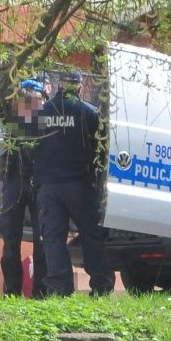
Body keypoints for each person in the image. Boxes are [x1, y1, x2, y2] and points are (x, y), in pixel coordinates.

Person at [33, 69, 114, 297]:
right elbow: (103, 149)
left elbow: (26, 143)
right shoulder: (88, 113)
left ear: (59, 85)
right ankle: (101, 285)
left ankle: (59, 287)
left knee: (53, 239)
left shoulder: (41, 112)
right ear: (79, 86)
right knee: (91, 235)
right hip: (78, 185)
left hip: (49, 187)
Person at [0, 78, 49, 297]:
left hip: (36, 182)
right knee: (11, 237)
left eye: (34, 100)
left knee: (41, 239)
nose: (30, 105)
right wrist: (12, 80)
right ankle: (13, 291)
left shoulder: (46, 117)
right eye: (26, 100)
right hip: (16, 179)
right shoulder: (14, 116)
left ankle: (38, 293)